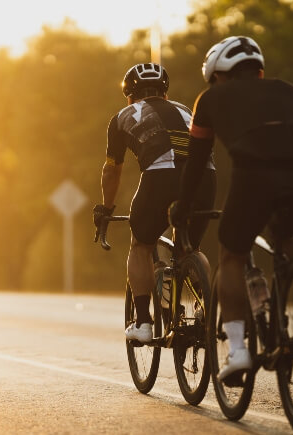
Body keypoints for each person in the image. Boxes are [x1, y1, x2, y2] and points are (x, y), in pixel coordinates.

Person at [169, 36, 293, 380]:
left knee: (232, 254)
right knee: (284, 236)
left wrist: (182, 207)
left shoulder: (209, 98)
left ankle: (237, 351)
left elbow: (195, 164)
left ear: (219, 73)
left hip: (255, 173)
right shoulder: (290, 91)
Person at [93, 63, 216, 343]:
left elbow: (112, 170)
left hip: (161, 177)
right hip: (205, 177)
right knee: (189, 249)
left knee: (141, 245)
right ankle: (206, 308)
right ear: (165, 92)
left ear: (129, 94)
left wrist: (106, 208)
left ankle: (144, 323)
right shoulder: (187, 110)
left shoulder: (123, 115)